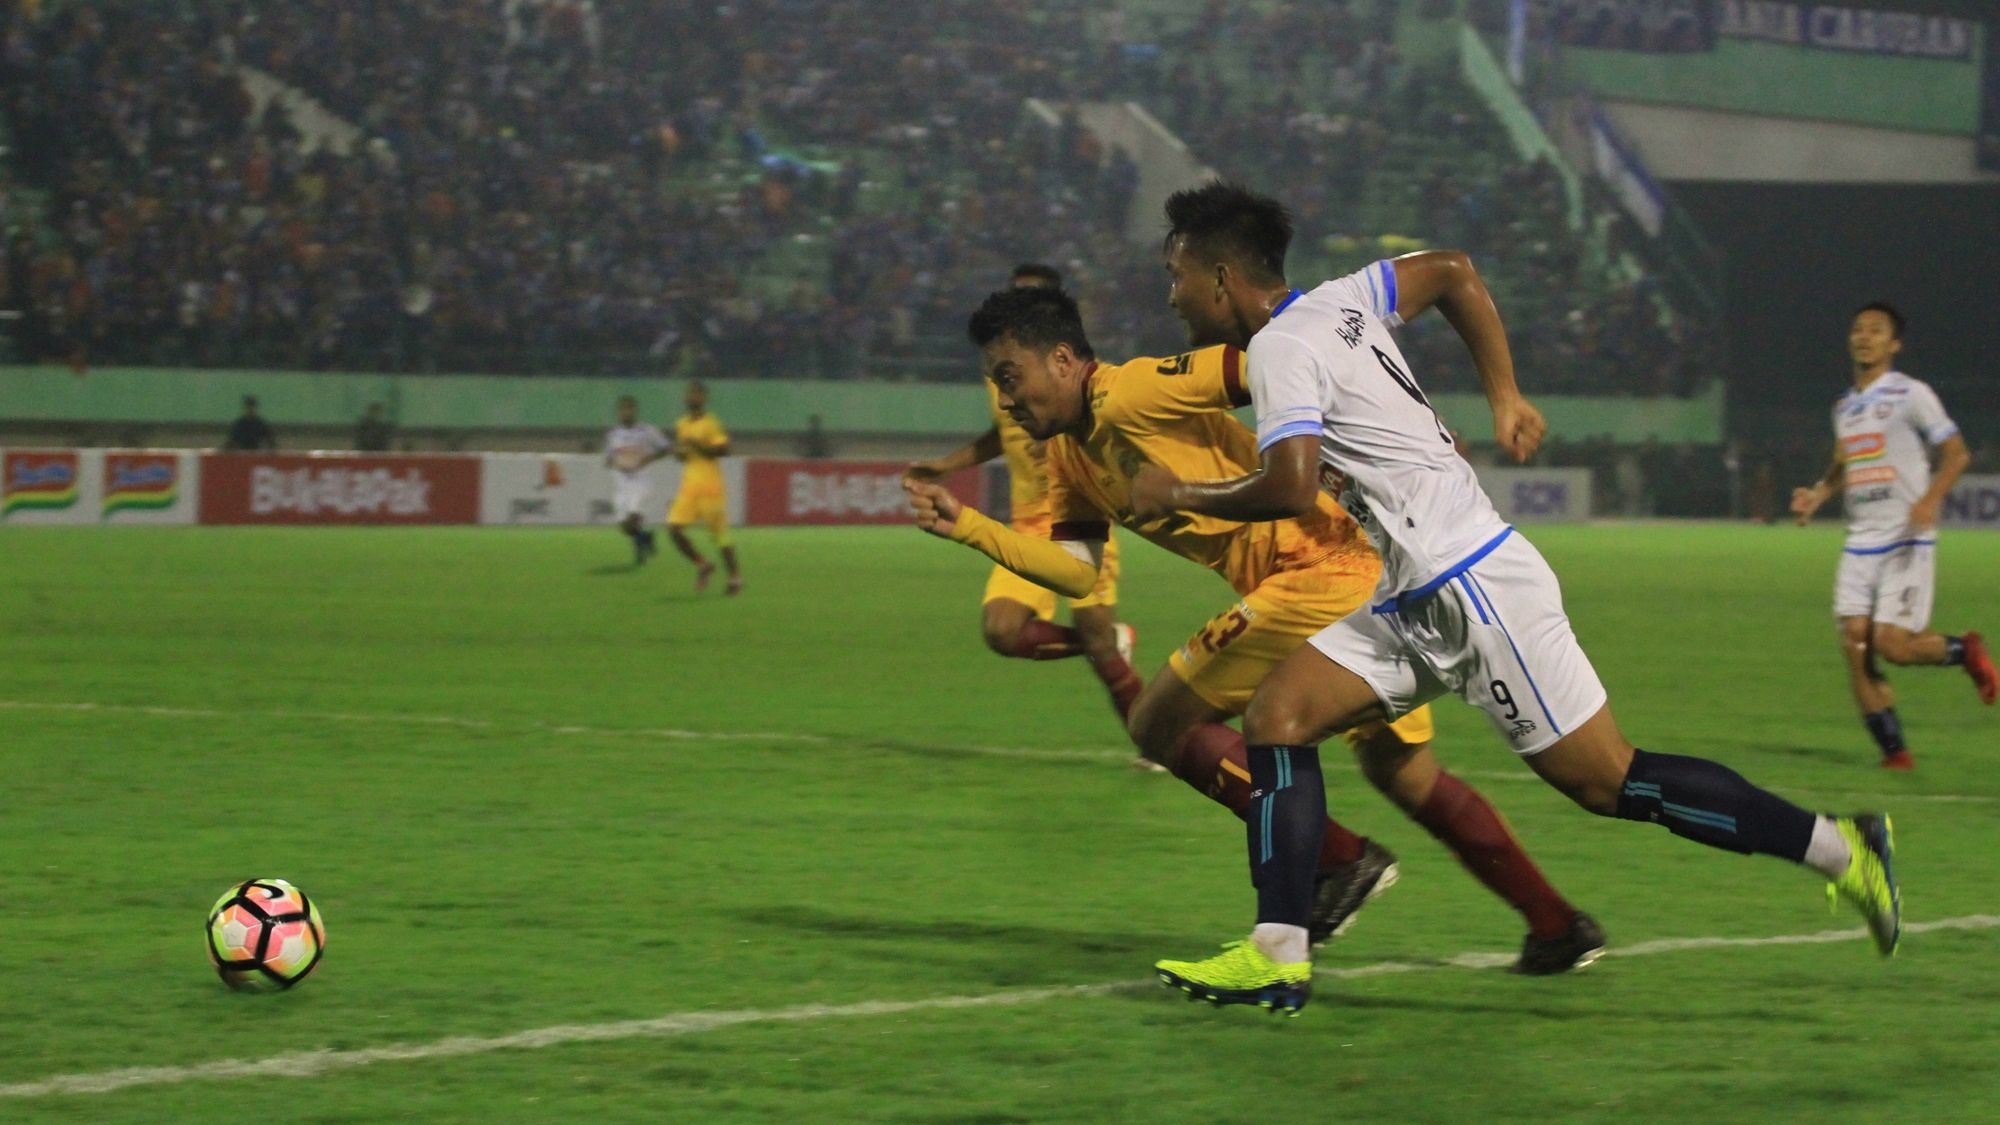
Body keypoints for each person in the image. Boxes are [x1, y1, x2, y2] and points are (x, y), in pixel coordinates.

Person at [1133, 181, 1898, 1015]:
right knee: (1278, 716)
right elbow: (1453, 272)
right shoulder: (1340, 301)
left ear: (1220, 277)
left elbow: (1289, 484)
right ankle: (1278, 951)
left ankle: (1839, 846)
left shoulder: (1281, 346)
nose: (1172, 296)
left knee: (1606, 781)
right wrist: (1504, 392)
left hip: (1470, 585)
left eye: (1177, 276)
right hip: (1416, 590)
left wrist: (1180, 494)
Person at [906, 284, 1599, 971]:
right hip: (1355, 577)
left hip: (1316, 568)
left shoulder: (1139, 389)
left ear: (1062, 359)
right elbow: (1077, 572)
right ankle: (1556, 925)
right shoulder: (1068, 457)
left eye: (1010, 377)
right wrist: (969, 527)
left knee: (1159, 721)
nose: (1005, 401)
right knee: (1403, 772)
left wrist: (1397, 434)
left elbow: (1272, 359)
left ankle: (1339, 861)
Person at [905, 264, 1142, 754]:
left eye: (1029, 299)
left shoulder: (1079, 374)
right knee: (1002, 631)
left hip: (1081, 522)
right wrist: (947, 466)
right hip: (1026, 524)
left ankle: (1157, 745)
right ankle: (1107, 640)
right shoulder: (1000, 376)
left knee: (1100, 649)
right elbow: (1004, 433)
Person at [1789, 303, 1995, 769]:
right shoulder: (1844, 406)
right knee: (1854, 643)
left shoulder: (1911, 394)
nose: (1864, 337)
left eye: (1876, 330)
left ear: (1894, 344)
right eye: (1858, 329)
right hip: (1860, 539)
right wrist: (1818, 495)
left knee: (1893, 646)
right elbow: (1845, 463)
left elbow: (1957, 454)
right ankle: (1895, 752)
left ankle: (1964, 650)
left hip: (1905, 535)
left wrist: (1930, 500)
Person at [668, 380, 741, 594]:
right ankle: (703, 564)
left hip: (711, 487)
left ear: (704, 398)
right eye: (690, 394)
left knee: (720, 535)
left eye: (697, 394)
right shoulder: (681, 424)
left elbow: (723, 451)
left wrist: (697, 445)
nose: (692, 397)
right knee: (673, 529)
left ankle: (735, 577)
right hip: (689, 486)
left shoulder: (711, 423)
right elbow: (684, 456)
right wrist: (679, 453)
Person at [604, 395, 671, 565]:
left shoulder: (647, 431)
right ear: (619, 412)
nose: (626, 412)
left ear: (635, 410)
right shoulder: (613, 435)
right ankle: (645, 538)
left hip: (641, 481)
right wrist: (618, 462)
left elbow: (666, 447)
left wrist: (648, 458)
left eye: (629, 408)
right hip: (622, 484)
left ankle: (641, 544)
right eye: (623, 409)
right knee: (625, 527)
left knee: (633, 517)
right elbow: (608, 459)